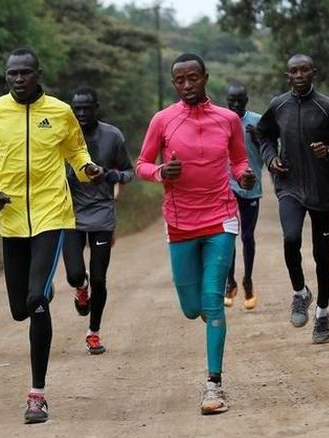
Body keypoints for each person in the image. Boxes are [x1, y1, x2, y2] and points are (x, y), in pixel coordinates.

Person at [0, 48, 104, 424]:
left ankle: (37, 395)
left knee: (36, 301)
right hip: (10, 219)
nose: (19, 79)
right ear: (5, 76)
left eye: (25, 73)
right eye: (12, 73)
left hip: (50, 215)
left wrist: (87, 167)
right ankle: (37, 293)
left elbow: (76, 150)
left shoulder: (60, 112)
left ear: (38, 74)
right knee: (19, 309)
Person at [136, 53, 255, 415]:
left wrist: (244, 175)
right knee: (192, 309)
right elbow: (140, 164)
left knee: (213, 302)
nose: (187, 85)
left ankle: (213, 386)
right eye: (180, 80)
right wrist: (160, 173)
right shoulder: (163, 120)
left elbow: (238, 160)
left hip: (221, 218)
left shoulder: (228, 119)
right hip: (180, 222)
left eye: (193, 78)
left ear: (205, 77)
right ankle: (207, 313)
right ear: (174, 84)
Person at [256, 54, 329, 344]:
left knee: (321, 255)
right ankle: (300, 293)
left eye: (304, 70)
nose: (299, 75)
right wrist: (271, 157)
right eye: (293, 71)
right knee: (290, 239)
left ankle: (323, 314)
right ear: (287, 76)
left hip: (322, 190)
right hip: (290, 186)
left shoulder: (328, 108)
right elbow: (263, 135)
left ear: (314, 73)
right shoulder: (278, 105)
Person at [64, 86, 134, 354]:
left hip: (102, 214)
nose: (81, 113)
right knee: (74, 274)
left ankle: (93, 332)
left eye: (86, 108)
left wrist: (110, 175)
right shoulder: (63, 135)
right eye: (76, 108)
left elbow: (129, 171)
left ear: (96, 107)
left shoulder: (111, 135)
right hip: (68, 213)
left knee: (100, 279)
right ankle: (80, 289)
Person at [224, 82, 263, 310]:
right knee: (228, 234)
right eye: (232, 100)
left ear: (247, 100)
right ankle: (230, 281)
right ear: (227, 100)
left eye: (240, 100)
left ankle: (247, 279)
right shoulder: (220, 120)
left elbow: (272, 149)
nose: (236, 104)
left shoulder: (257, 121)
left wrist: (258, 137)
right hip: (226, 186)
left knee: (247, 236)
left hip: (251, 186)